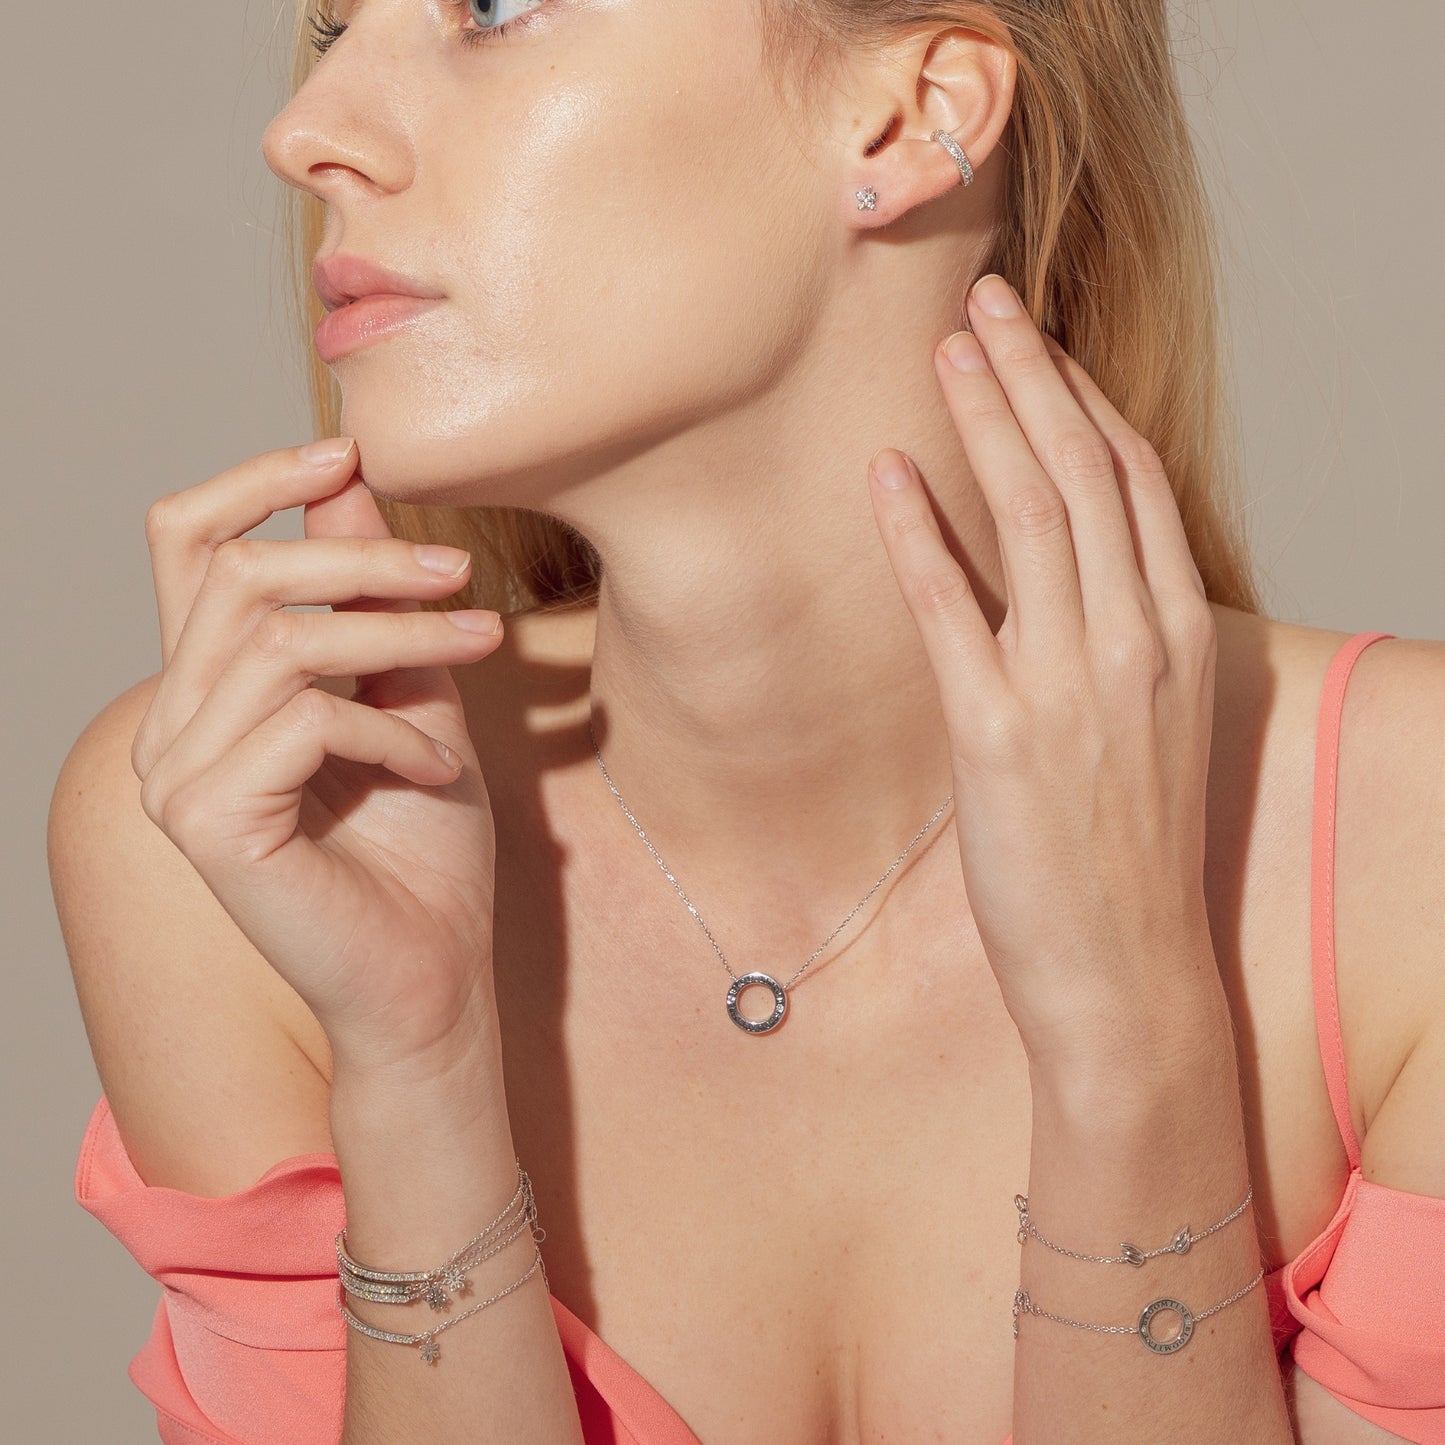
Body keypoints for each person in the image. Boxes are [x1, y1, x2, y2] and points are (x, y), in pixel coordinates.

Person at [50, 1, 1445, 1442]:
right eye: (335, 27)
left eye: (490, 4)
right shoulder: (254, 839)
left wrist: (1129, 1045)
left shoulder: (1415, 873)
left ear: (912, 114)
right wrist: (416, 1071)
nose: (303, 133)